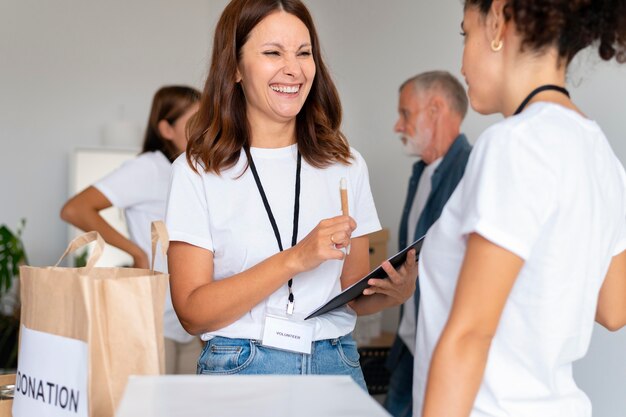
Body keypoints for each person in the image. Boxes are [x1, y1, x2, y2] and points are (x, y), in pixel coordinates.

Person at [164, 0, 418, 388]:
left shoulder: (346, 164)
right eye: (272, 53)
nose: (294, 69)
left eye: (304, 53)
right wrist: (296, 258)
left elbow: (352, 294)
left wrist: (394, 293)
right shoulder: (197, 171)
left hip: (337, 363)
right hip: (241, 368)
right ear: (233, 67)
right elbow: (192, 312)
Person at [413, 1, 626, 416]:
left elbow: (469, 335)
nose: (461, 60)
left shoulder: (514, 143)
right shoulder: (600, 154)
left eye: (465, 33)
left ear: (497, 18)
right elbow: (614, 307)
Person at [61, 85, 202, 374]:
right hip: (152, 316)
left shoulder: (192, 172)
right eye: (194, 122)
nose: (204, 130)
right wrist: (135, 252)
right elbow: (75, 208)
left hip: (189, 321)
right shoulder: (148, 168)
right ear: (166, 129)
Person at [384, 71, 471, 417]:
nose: (397, 125)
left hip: (441, 351)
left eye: (405, 113)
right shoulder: (421, 173)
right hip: (409, 345)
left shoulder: (472, 173)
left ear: (435, 109)